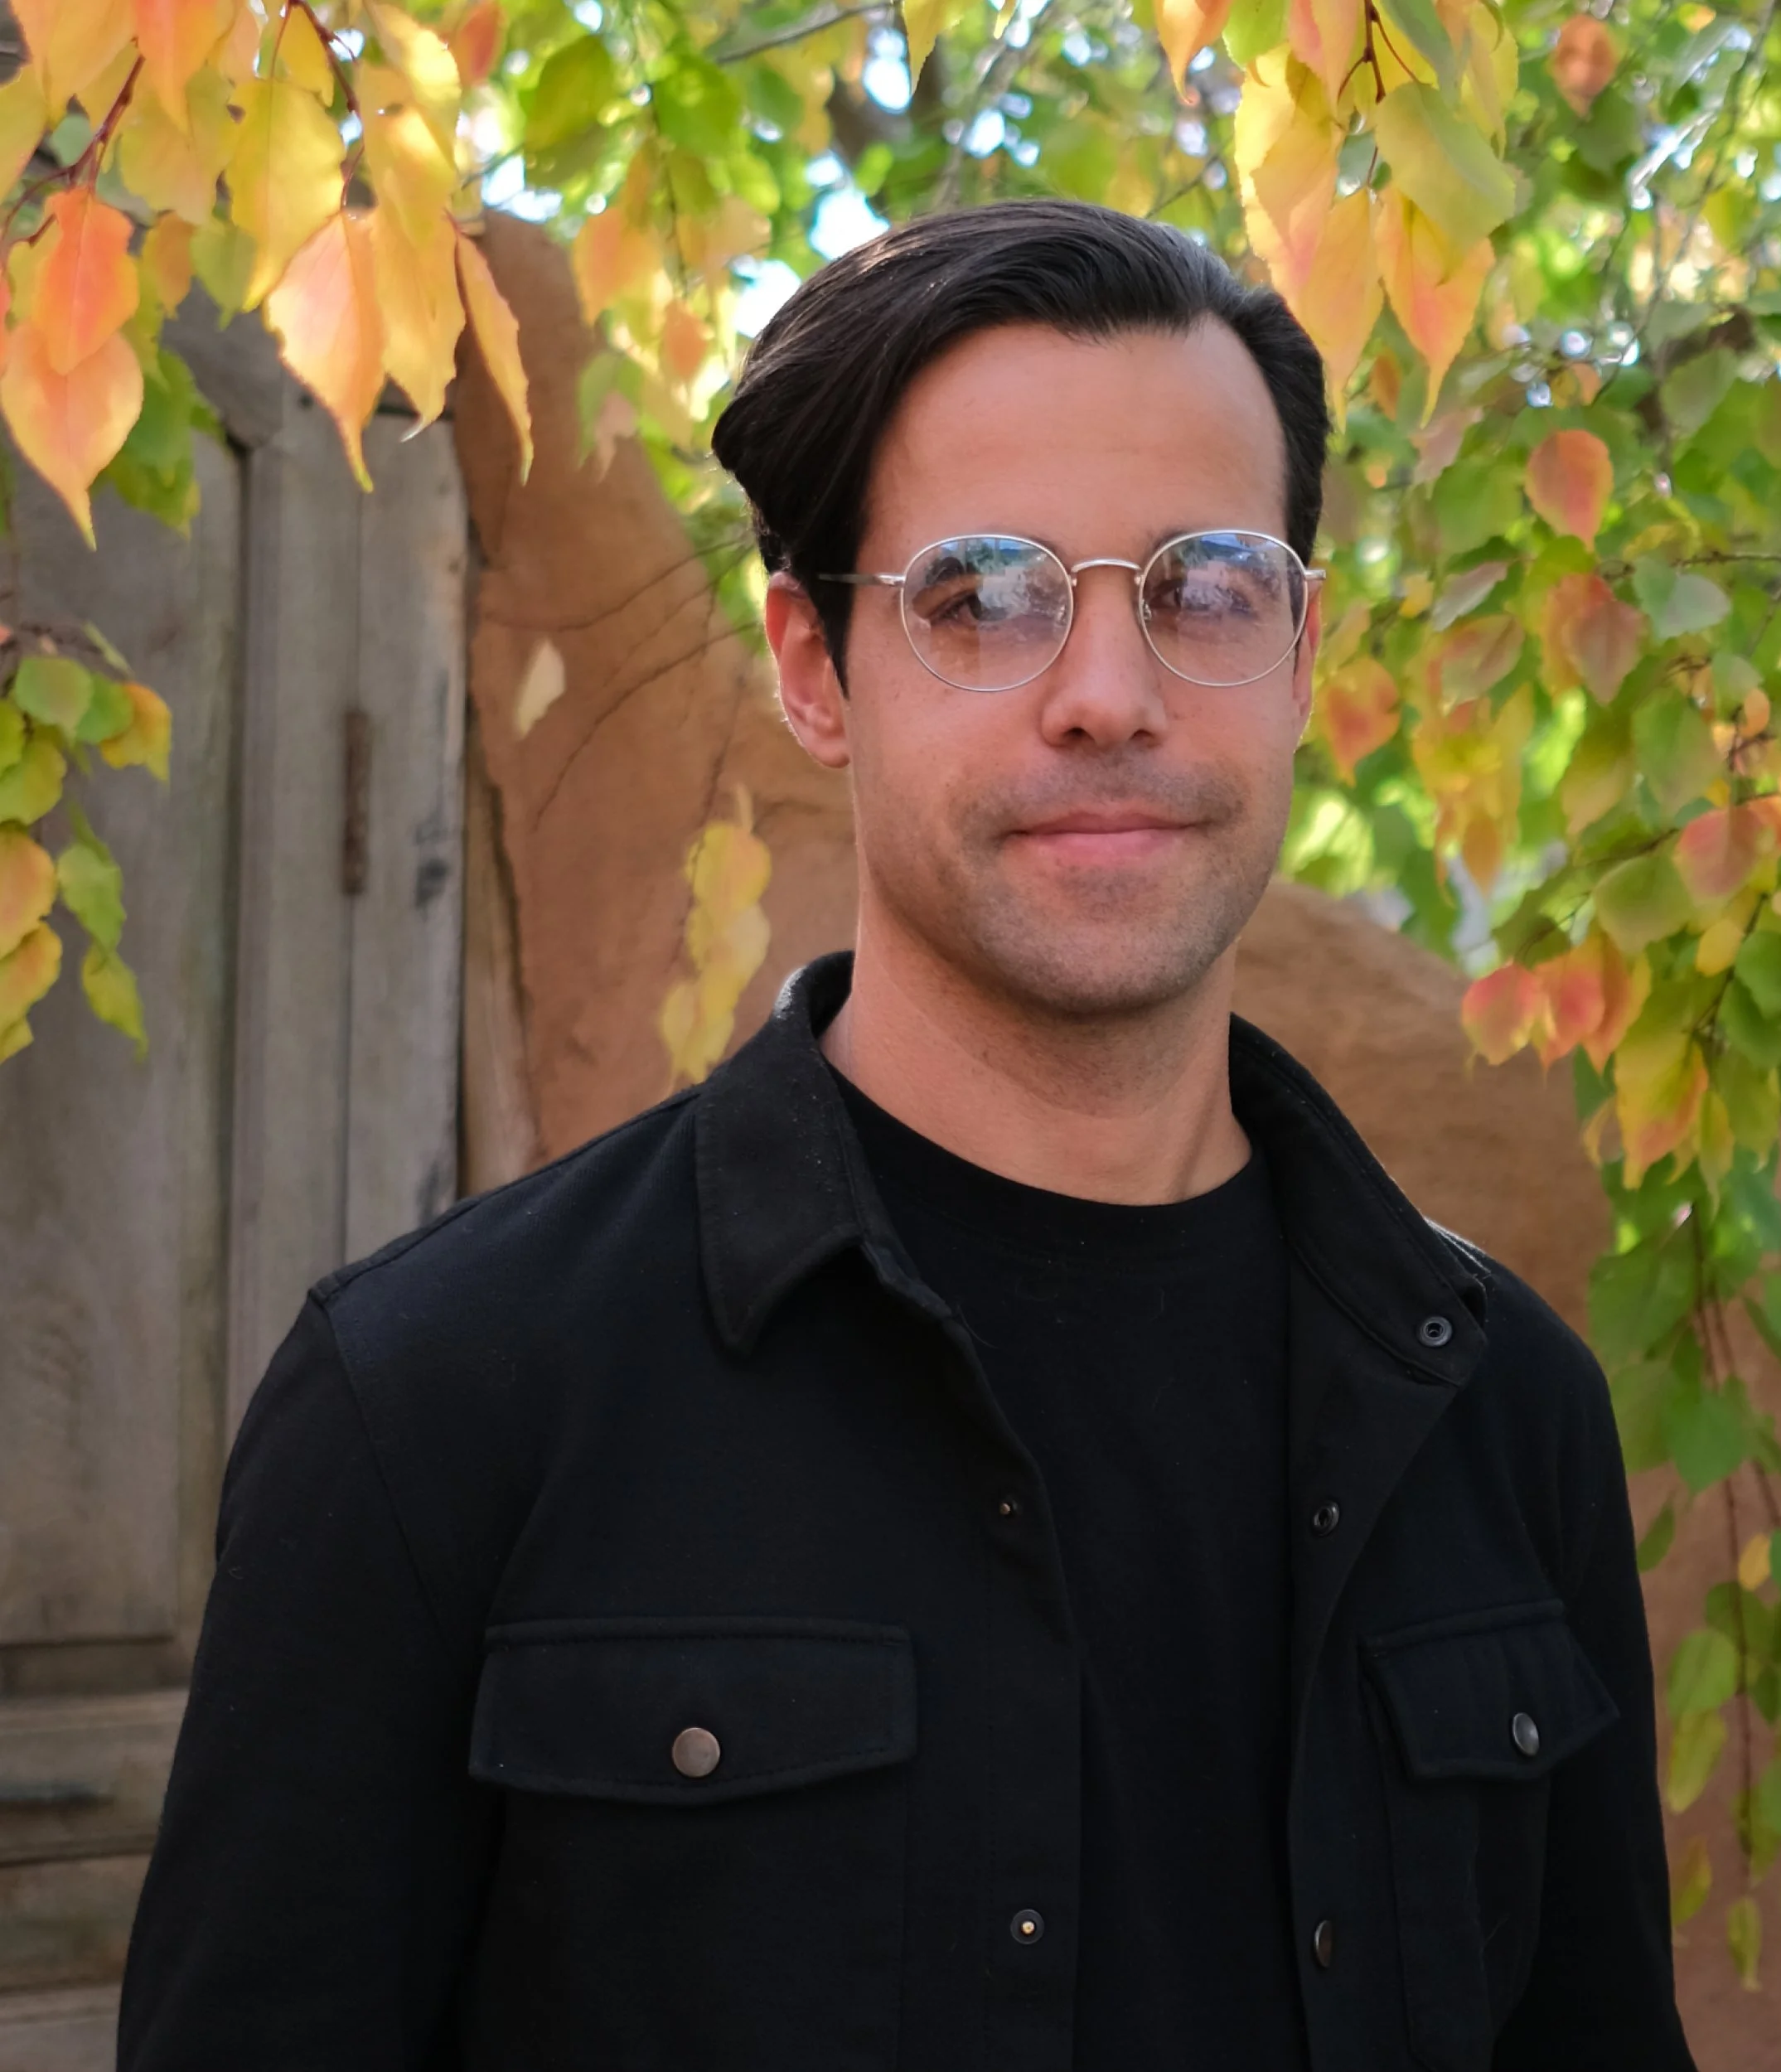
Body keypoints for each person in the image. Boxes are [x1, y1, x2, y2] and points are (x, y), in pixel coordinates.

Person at [119, 200, 1695, 2072]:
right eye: (982, 593)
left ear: (1292, 654)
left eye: (1201, 585)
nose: (1107, 693)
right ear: (811, 664)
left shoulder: (1503, 1409)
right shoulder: (438, 1404)